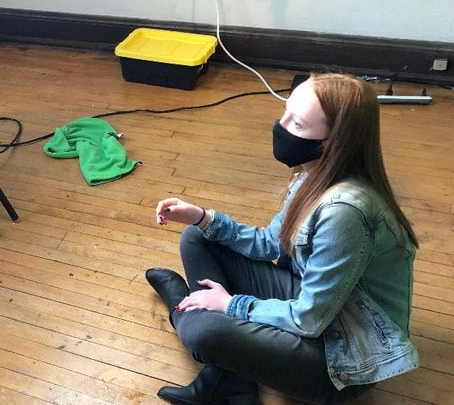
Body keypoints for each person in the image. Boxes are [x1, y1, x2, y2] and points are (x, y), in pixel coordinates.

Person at [147, 73, 420, 404]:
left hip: (340, 357)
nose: (282, 127)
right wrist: (202, 217)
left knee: (201, 332)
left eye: (299, 124)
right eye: (285, 113)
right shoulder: (313, 172)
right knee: (197, 236)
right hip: (316, 300)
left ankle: (183, 307)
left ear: (334, 142)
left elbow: (309, 319)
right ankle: (231, 378)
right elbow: (269, 244)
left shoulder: (344, 212)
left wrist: (230, 305)